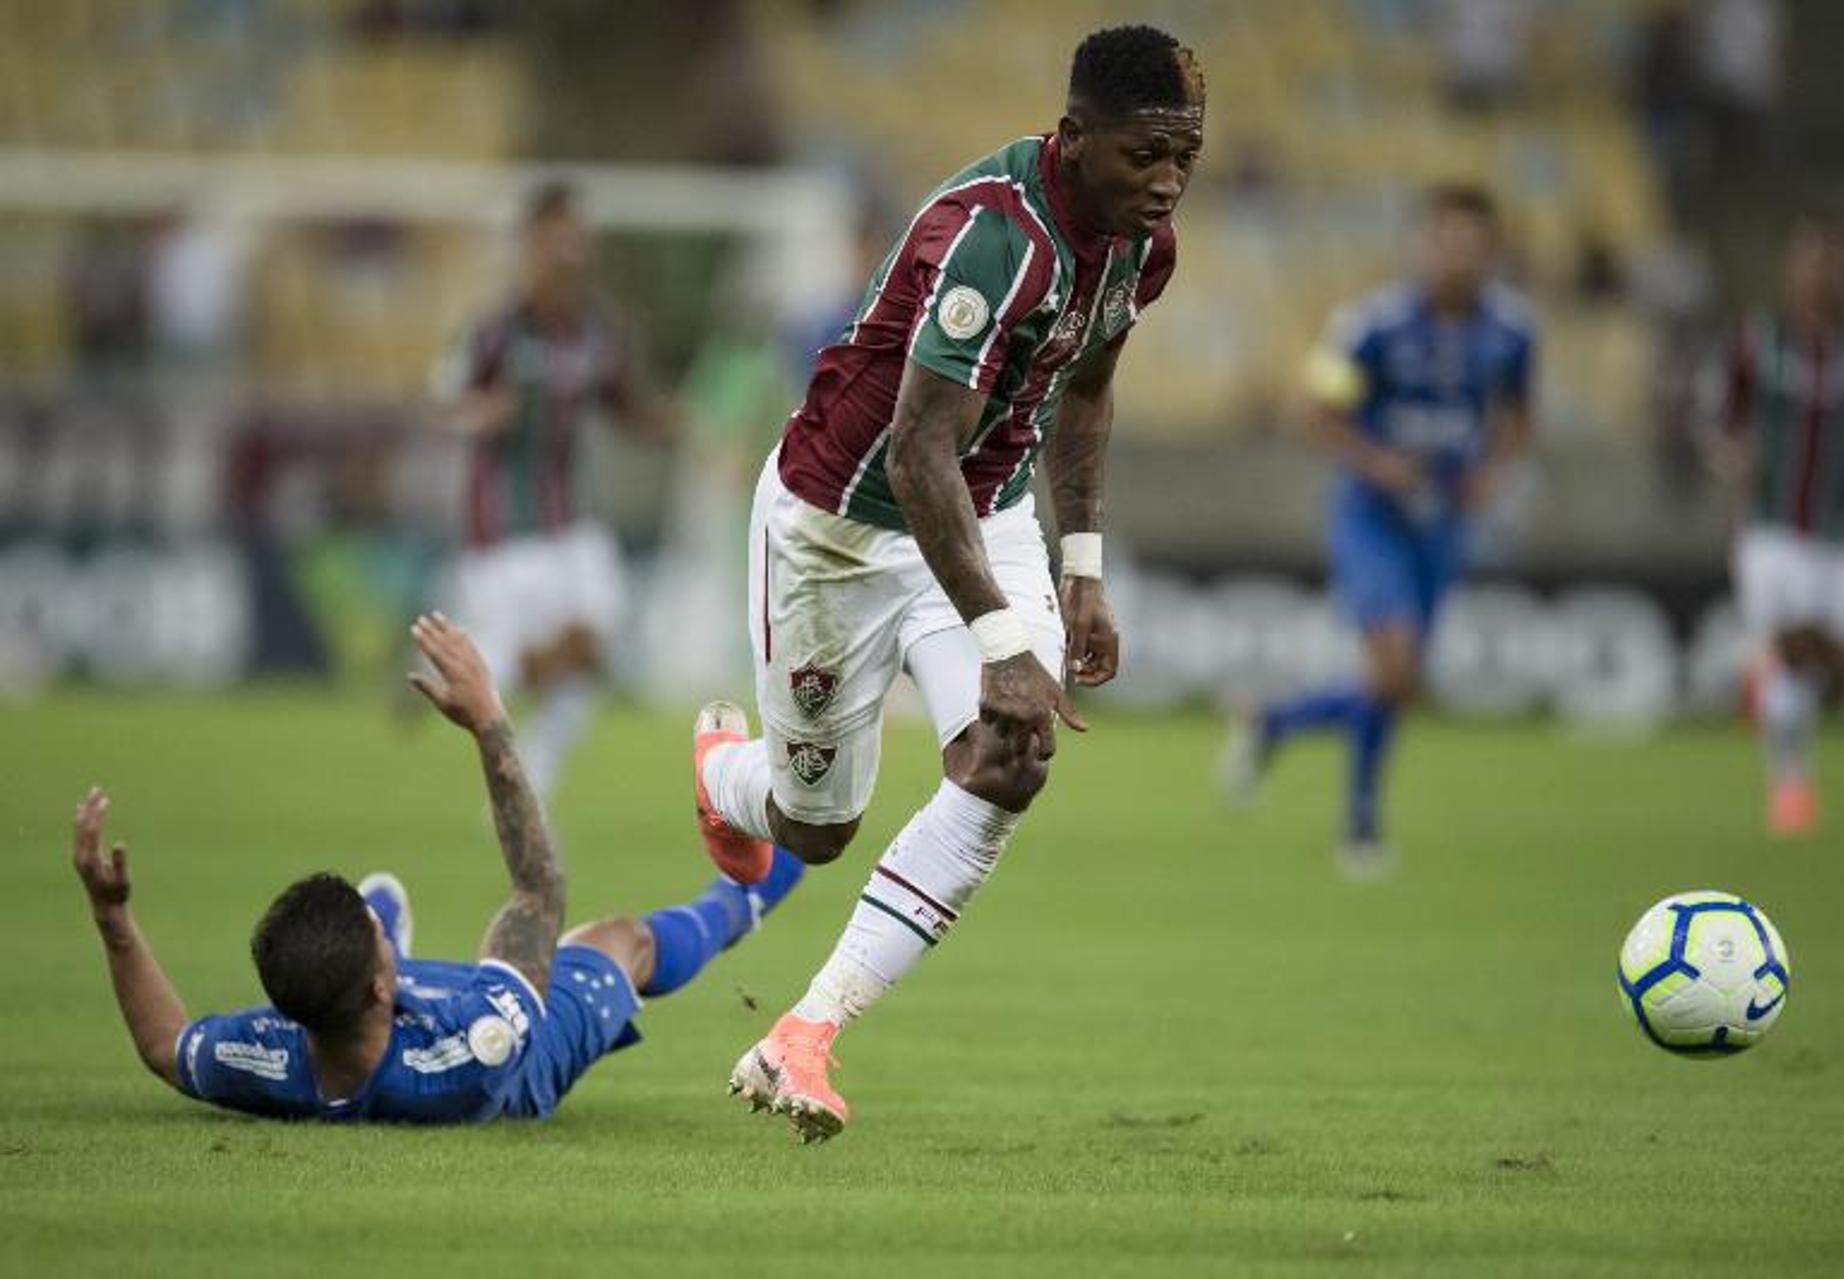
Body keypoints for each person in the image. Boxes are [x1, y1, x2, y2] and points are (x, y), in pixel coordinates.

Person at [691, 25, 1203, 1142]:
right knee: (813, 828)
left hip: (988, 512)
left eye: (1186, 158)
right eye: (1145, 155)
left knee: (1010, 755)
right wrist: (1004, 641)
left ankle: (805, 1033)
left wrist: (1079, 571)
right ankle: (729, 778)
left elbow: (1086, 394)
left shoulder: (1138, 246)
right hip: (841, 526)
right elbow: (919, 451)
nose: (1167, 183)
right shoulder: (995, 241)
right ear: (1075, 139)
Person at [71, 612, 804, 1123]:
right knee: (618, 941)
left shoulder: (266, 1058)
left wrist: (114, 922)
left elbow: (166, 1046)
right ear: (382, 987)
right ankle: (757, 884)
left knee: (382, 974)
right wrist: (489, 723)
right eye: (373, 941)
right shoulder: (479, 1044)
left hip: (372, 1020)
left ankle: (388, 924)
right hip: (526, 1057)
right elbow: (537, 890)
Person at [1219, 185, 1535, 881]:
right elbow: (1308, 411)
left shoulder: (1512, 332)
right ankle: (1360, 822)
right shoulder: (1374, 326)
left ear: (1490, 251)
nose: (1457, 256)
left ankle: (1274, 724)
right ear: (1423, 245)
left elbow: (1517, 413)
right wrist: (1378, 461)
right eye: (1445, 239)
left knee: (1398, 682)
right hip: (1373, 517)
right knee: (1393, 667)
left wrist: (1495, 471)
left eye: (1472, 243)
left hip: (1445, 522)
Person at [430, 180, 674, 802]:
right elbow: (445, 405)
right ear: (530, 245)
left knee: (598, 644)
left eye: (576, 237)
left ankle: (523, 762)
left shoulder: (596, 331)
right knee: (515, 673)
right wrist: (484, 412)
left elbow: (626, 405)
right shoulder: (495, 332)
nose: (569, 251)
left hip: (571, 521)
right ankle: (486, 702)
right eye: (555, 238)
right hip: (504, 527)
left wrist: (679, 424)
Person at [1712, 213, 1844, 835]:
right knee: (1794, 650)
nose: (1820, 270)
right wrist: (1731, 457)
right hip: (1773, 529)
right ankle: (1791, 784)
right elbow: (1721, 418)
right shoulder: (1758, 339)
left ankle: (1757, 674)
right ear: (1791, 268)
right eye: (1809, 257)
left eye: (1831, 258)